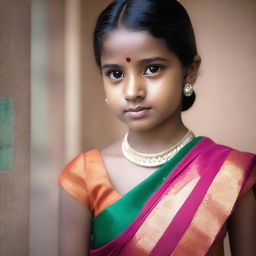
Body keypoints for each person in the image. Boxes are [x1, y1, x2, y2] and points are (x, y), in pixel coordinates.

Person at [59, 0, 256, 255]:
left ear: (190, 71)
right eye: (116, 74)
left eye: (152, 69)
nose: (132, 92)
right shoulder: (82, 177)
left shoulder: (230, 174)